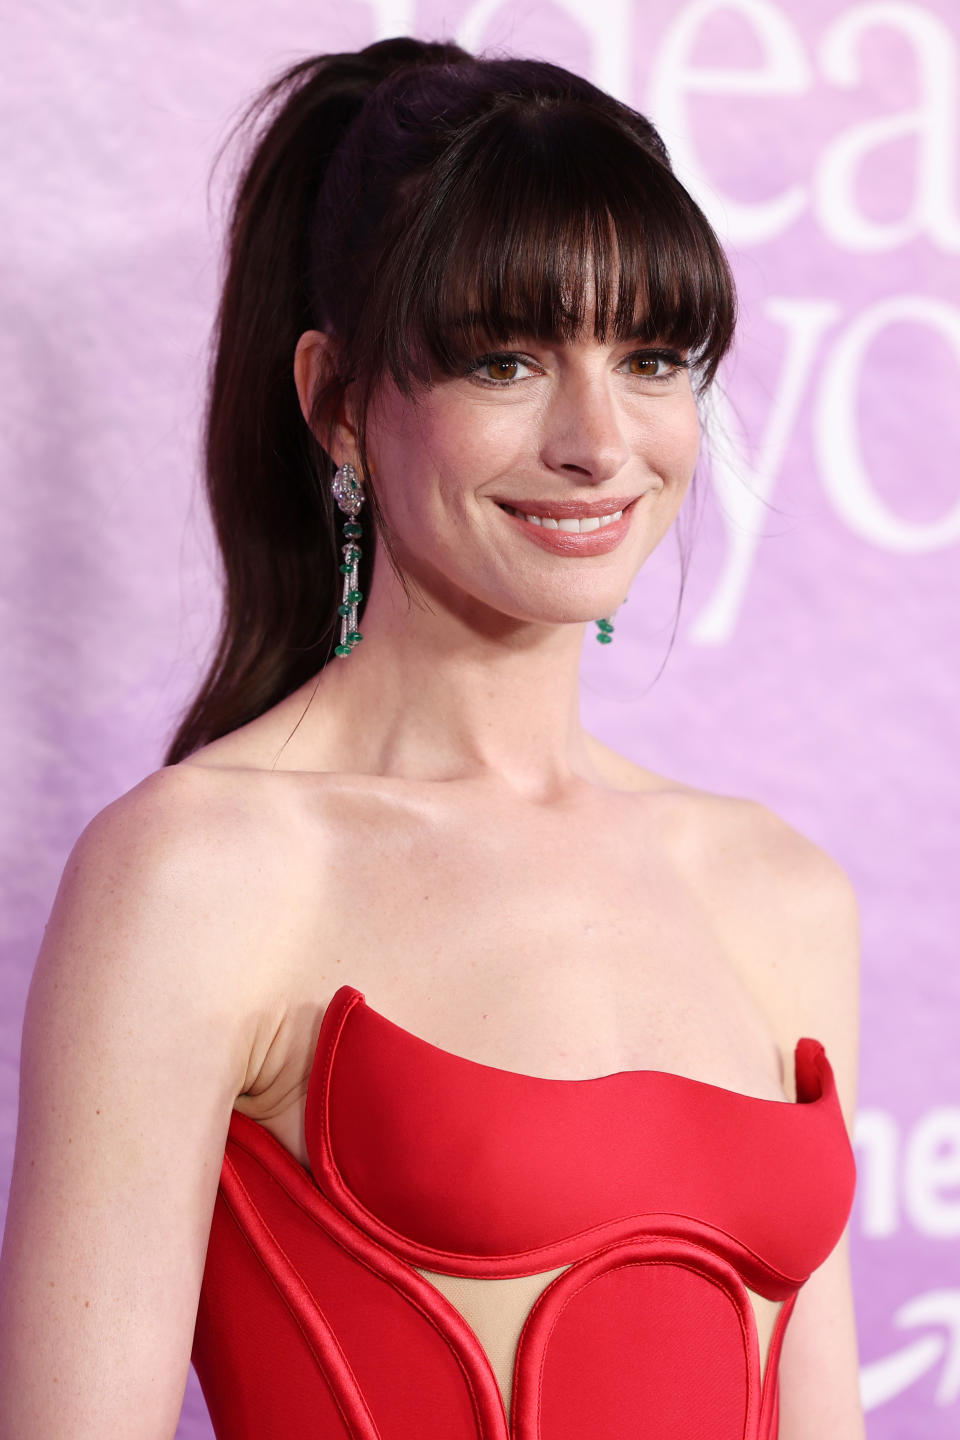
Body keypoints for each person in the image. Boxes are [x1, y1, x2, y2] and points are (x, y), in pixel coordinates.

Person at [0, 35, 864, 1440]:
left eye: (650, 357)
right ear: (341, 404)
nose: (600, 441)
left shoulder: (774, 890)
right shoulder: (197, 871)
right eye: (507, 361)